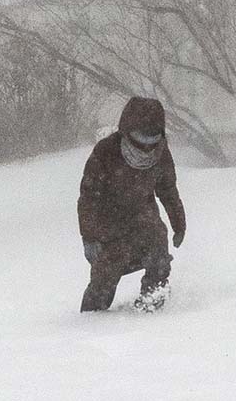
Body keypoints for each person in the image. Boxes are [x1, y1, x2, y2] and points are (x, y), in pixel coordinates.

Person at [77, 96, 186, 312]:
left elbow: (167, 190)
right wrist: (89, 237)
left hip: (144, 219)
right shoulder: (106, 152)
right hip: (108, 226)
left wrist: (178, 223)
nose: (146, 148)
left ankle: (152, 306)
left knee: (159, 258)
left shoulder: (161, 153)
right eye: (139, 139)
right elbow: (88, 197)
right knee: (104, 280)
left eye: (152, 141)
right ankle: (90, 322)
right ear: (126, 132)